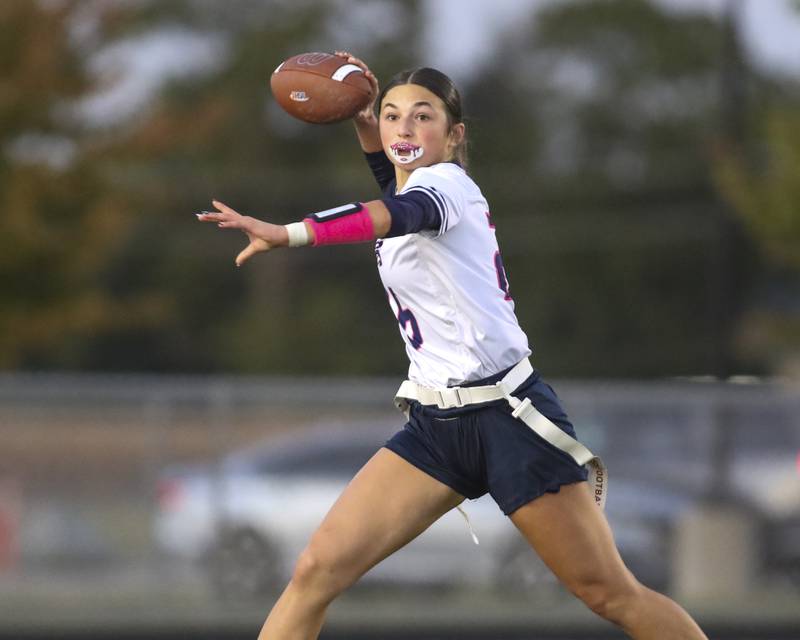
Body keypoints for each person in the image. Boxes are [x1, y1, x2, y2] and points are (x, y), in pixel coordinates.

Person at [196, 52, 708, 640]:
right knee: (316, 569)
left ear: (454, 134)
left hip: (508, 418)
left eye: (423, 116)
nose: (404, 128)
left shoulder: (448, 187)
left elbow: (399, 210)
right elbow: (393, 185)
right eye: (393, 115)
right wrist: (364, 122)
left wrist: (288, 232)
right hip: (437, 427)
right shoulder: (412, 182)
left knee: (610, 594)